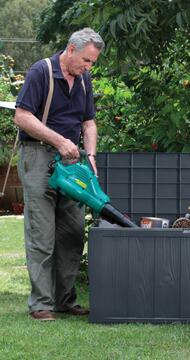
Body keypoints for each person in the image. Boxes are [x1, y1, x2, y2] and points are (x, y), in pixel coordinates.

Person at [14, 28, 105, 321]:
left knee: (74, 231)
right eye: (86, 61)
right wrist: (59, 141)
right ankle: (41, 303)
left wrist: (89, 155)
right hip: (38, 156)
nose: (88, 67)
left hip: (72, 162)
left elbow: (89, 123)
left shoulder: (83, 81)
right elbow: (22, 116)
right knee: (42, 234)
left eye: (92, 63)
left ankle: (65, 299)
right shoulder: (41, 72)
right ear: (70, 49)